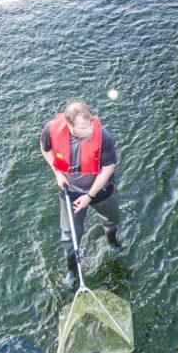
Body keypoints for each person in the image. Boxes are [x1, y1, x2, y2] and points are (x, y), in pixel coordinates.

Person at [41, 99, 120, 289]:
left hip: (100, 190)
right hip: (71, 192)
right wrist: (57, 172)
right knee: (69, 234)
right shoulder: (51, 130)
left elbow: (108, 169)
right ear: (69, 126)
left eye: (90, 123)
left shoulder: (104, 137)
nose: (90, 130)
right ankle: (72, 271)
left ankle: (112, 243)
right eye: (84, 127)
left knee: (111, 220)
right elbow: (45, 149)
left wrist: (89, 197)